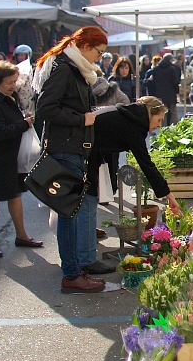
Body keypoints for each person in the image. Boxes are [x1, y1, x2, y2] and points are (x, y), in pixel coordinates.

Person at [33, 25, 108, 293]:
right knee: (69, 213)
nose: (99, 58)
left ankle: (75, 269)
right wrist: (81, 119)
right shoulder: (64, 68)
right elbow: (46, 109)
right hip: (65, 149)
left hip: (72, 148)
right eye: (98, 52)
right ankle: (72, 273)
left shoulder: (73, 67)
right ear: (85, 46)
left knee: (70, 212)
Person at [77, 96, 181, 274]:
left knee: (87, 202)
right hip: (82, 153)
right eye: (159, 120)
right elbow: (146, 164)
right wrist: (169, 196)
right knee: (87, 202)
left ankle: (84, 257)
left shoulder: (130, 116)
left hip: (87, 152)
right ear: (151, 113)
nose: (159, 125)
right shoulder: (135, 126)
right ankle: (86, 261)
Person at [0, 61, 42, 258]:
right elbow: (0, 132)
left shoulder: (7, 96)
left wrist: (24, 119)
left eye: (14, 81)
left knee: (15, 195)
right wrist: (24, 124)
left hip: (11, 154)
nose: (13, 86)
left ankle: (22, 235)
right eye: (9, 82)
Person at [149, 53, 181, 125]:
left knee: (163, 112)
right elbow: (175, 82)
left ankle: (163, 128)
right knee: (173, 112)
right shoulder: (172, 69)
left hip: (160, 94)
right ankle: (176, 127)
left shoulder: (156, 69)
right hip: (171, 94)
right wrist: (177, 91)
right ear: (170, 60)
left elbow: (153, 82)